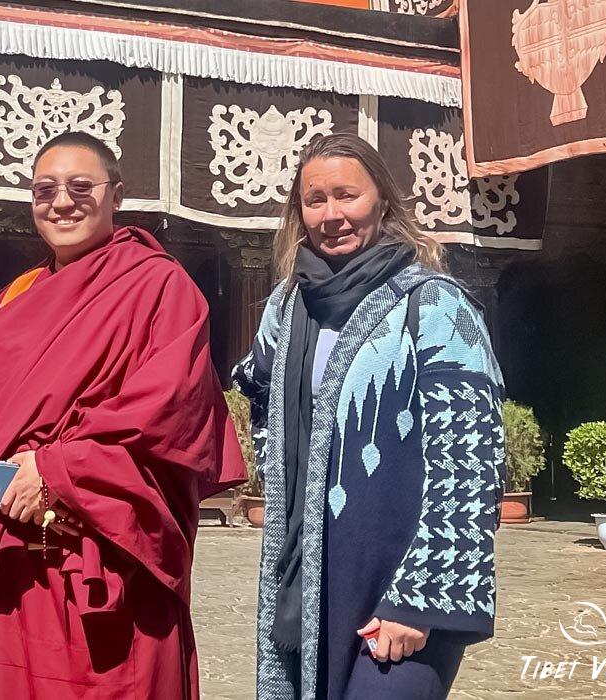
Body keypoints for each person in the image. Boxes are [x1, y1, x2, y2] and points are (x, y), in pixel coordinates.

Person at [0, 131, 247, 699]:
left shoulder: (158, 285)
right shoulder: (16, 298)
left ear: (117, 195)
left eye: (81, 187)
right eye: (44, 189)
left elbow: (167, 415)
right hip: (19, 570)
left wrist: (56, 470)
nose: (62, 202)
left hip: (115, 565)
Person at [234, 133, 504, 700]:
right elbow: (259, 391)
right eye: (315, 199)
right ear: (298, 211)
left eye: (347, 196)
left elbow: (471, 458)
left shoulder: (433, 304)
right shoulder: (288, 305)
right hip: (311, 571)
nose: (331, 214)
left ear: (382, 201)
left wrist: (420, 595)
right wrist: (286, 480)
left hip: (402, 575)